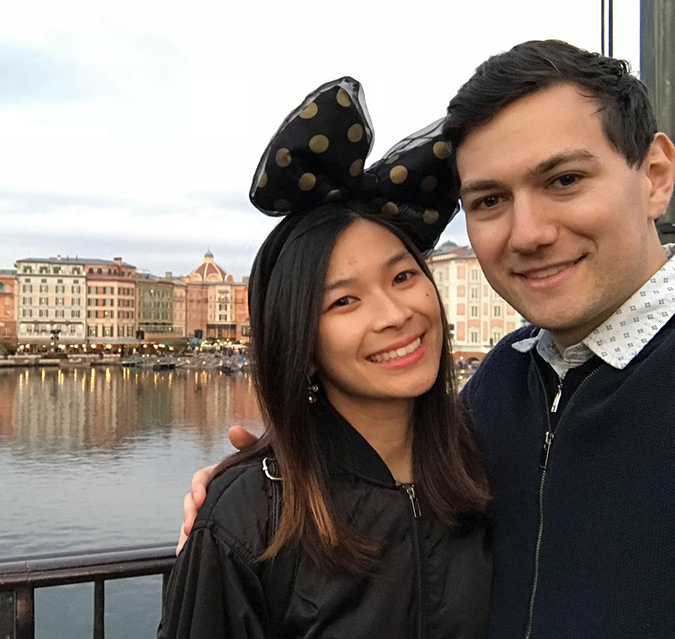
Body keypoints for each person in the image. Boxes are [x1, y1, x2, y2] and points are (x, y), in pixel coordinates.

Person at [181, 40, 675, 638]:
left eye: (564, 179)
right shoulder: (501, 387)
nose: (529, 233)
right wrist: (258, 487)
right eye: (490, 200)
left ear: (655, 176)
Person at [158, 77, 491, 638]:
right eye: (344, 300)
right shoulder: (253, 516)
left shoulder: (484, 463)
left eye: (404, 275)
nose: (393, 314)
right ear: (299, 343)